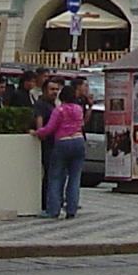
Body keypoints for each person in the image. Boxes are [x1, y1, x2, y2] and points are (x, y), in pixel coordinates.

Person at [35, 77, 87, 219]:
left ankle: (53, 210)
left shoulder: (59, 110)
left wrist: (38, 133)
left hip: (63, 142)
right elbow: (81, 124)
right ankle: (71, 209)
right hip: (78, 141)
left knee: (56, 176)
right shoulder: (78, 109)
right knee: (75, 177)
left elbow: (50, 128)